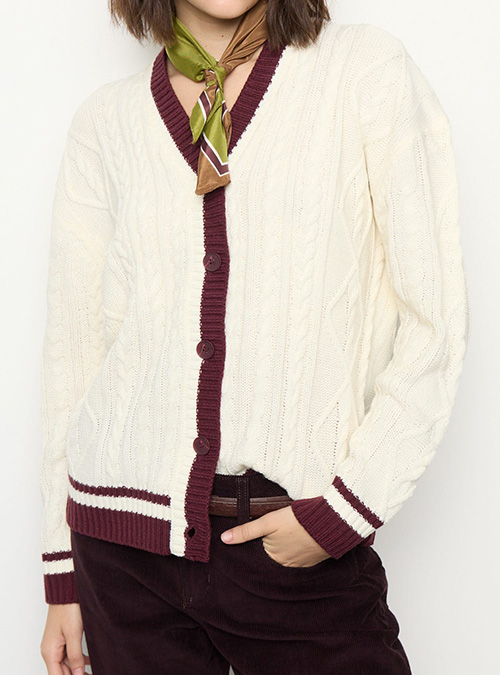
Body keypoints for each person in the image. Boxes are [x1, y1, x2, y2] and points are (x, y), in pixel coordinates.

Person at [39, 0, 470, 673]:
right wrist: (62, 570)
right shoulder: (106, 121)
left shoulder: (363, 71)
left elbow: (434, 323)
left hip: (293, 542)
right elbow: (75, 350)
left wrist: (341, 514)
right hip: (122, 553)